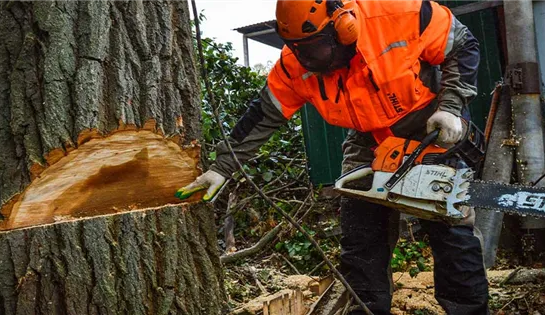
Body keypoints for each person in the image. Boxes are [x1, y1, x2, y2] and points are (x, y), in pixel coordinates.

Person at [176, 0, 489, 313]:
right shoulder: (296, 64)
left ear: (343, 29)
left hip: (428, 124)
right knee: (361, 236)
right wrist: (222, 169)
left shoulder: (398, 12)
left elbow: (462, 44)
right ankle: (366, 309)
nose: (308, 60)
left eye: (314, 50)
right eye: (298, 49)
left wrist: (450, 106)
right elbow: (263, 115)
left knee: (452, 230)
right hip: (368, 137)